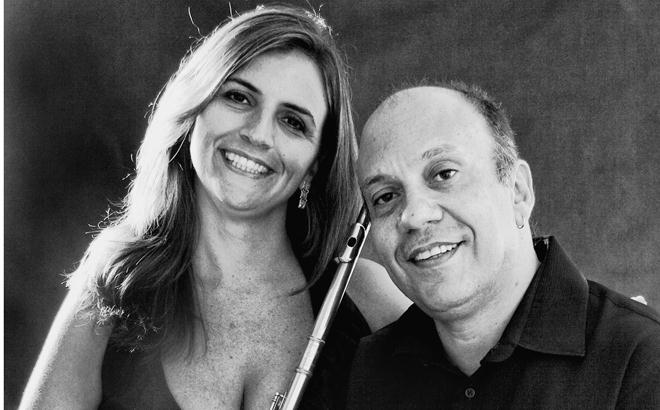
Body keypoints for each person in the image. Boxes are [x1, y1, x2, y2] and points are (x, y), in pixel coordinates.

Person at [19, 6, 409, 409]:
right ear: (195, 109)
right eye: (238, 97)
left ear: (315, 163)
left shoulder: (364, 296)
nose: (258, 134)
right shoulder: (117, 277)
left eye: (293, 122)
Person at [348, 82, 660, 408]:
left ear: (518, 192)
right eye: (385, 196)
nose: (413, 215)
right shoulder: (370, 369)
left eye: (444, 174)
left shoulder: (640, 358)